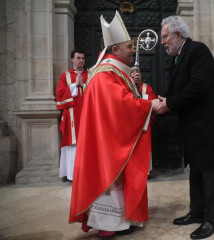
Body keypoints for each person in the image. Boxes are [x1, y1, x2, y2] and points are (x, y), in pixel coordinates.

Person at [69, 11, 160, 237]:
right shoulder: (104, 75)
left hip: (110, 140)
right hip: (107, 145)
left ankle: (120, 220)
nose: (133, 50)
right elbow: (121, 106)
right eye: (129, 46)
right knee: (110, 180)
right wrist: (149, 106)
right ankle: (110, 224)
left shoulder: (112, 73)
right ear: (115, 50)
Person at [157, 16, 214, 239]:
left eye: (165, 37)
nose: (162, 42)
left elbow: (197, 86)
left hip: (208, 126)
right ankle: (197, 212)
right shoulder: (182, 55)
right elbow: (182, 86)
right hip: (194, 127)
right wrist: (167, 98)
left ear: (178, 35)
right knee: (196, 171)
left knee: (209, 172)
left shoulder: (198, 50)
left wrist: (169, 103)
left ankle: (212, 221)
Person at [56, 49, 88, 181]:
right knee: (73, 144)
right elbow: (60, 95)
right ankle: (73, 174)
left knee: (87, 143)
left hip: (87, 114)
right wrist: (75, 86)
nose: (81, 61)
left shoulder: (90, 74)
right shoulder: (65, 76)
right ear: (72, 60)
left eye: (83, 58)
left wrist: (84, 85)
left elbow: (96, 92)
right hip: (72, 114)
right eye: (78, 58)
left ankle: (87, 174)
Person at [131, 68, 157, 175]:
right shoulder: (125, 87)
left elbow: (153, 103)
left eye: (137, 72)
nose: (135, 74)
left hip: (144, 124)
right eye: (132, 72)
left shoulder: (146, 88)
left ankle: (145, 172)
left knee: (144, 148)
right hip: (130, 125)